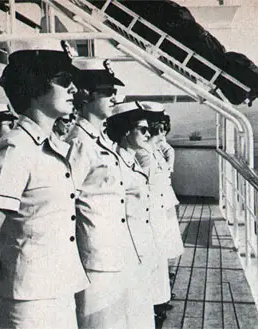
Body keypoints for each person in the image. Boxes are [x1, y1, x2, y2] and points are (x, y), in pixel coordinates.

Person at [0, 39, 89, 329]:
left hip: (58, 289)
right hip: (26, 301)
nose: (74, 90)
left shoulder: (48, 145)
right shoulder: (15, 150)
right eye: (64, 81)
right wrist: (4, 282)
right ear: (35, 84)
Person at [65, 58, 140, 329]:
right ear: (84, 95)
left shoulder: (100, 141)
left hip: (112, 251)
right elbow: (66, 203)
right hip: (93, 256)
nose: (113, 98)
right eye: (107, 92)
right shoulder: (79, 142)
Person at [105, 101, 164, 329]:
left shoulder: (131, 161)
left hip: (141, 243)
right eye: (142, 129)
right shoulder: (115, 164)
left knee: (141, 308)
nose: (147, 134)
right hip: (128, 248)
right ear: (126, 131)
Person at [134, 103, 184, 322]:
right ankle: (155, 302)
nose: (162, 131)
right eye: (160, 127)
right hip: (151, 209)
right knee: (155, 257)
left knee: (161, 255)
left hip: (160, 206)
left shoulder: (153, 150)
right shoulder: (144, 153)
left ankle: (160, 299)